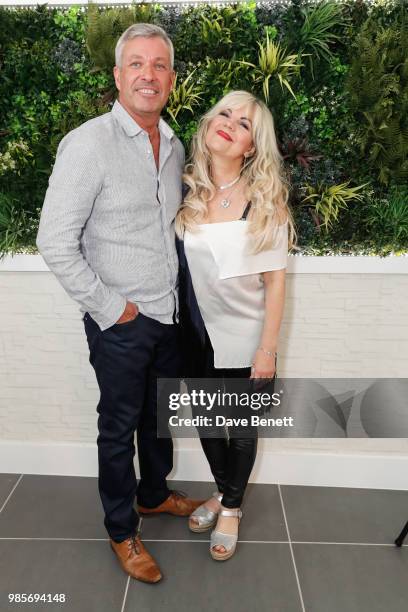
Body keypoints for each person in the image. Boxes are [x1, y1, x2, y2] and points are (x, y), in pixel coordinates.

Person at [36, 23, 203, 584]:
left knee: (159, 422)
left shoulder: (177, 145)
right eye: (136, 64)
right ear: (117, 75)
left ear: (171, 79)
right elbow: (54, 241)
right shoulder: (88, 144)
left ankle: (153, 496)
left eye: (158, 65)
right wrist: (113, 309)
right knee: (119, 427)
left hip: (169, 316)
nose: (148, 75)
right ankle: (120, 528)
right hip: (121, 323)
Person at [175, 90, 296, 561]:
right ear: (208, 126)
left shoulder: (264, 201)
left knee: (241, 430)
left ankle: (230, 508)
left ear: (251, 146)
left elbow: (276, 284)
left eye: (243, 123)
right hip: (195, 334)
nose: (229, 123)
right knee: (208, 424)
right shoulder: (187, 191)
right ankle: (226, 494)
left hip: (247, 339)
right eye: (223, 113)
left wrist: (267, 351)